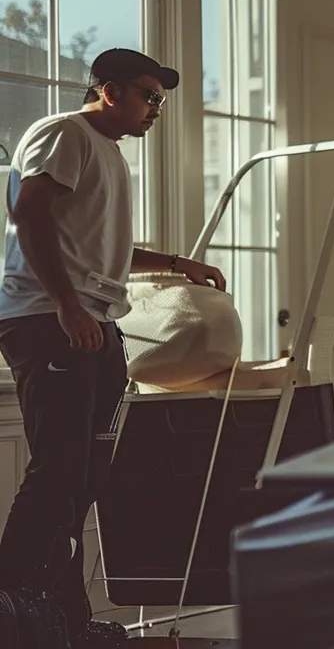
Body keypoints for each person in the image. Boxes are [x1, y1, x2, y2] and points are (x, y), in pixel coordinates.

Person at [0, 48, 226, 645]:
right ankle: (9, 606)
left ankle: (66, 620)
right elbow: (30, 216)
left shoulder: (105, 153)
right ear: (109, 91)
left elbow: (100, 250)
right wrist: (68, 307)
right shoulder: (63, 134)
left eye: (161, 100)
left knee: (84, 476)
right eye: (149, 96)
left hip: (90, 323)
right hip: (49, 321)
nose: (157, 109)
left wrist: (178, 265)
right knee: (59, 470)